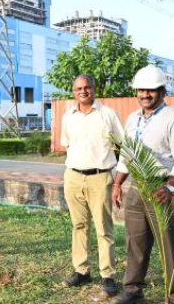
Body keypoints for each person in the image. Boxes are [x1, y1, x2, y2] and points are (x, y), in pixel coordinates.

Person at [111, 65, 174, 304]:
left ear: (162, 91)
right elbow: (127, 155)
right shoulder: (132, 118)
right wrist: (118, 184)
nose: (145, 95)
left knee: (170, 245)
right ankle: (133, 291)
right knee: (135, 240)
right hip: (138, 186)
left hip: (165, 188)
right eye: (141, 90)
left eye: (151, 90)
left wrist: (170, 188)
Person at [60, 75, 123, 295]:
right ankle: (82, 271)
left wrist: (117, 179)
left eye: (87, 87)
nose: (83, 91)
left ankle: (107, 275)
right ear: (73, 91)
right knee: (78, 226)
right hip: (73, 177)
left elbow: (121, 146)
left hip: (100, 178)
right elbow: (67, 145)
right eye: (79, 88)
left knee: (104, 229)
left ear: (94, 89)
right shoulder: (68, 116)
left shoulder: (108, 115)